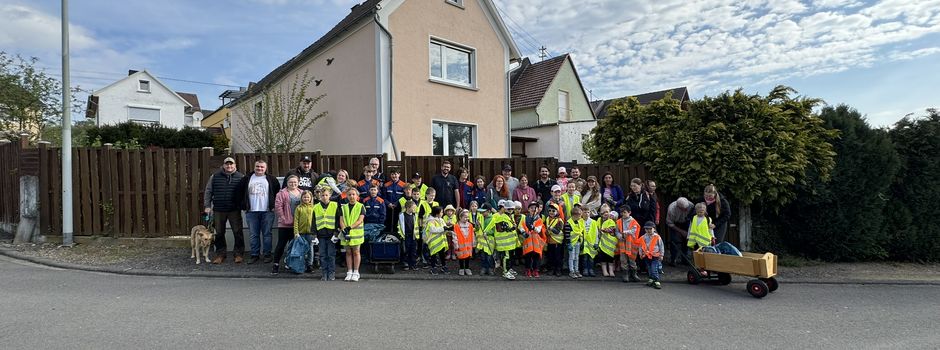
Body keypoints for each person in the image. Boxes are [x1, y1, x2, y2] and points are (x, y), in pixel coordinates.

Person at [234, 160, 280, 265]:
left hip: (267, 211)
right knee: (253, 234)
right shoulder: (246, 179)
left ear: (266, 168)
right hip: (251, 212)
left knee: (267, 234)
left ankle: (267, 254)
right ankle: (254, 255)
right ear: (254, 167)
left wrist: (273, 206)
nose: (259, 168)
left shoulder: (272, 179)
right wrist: (243, 206)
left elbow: (278, 193)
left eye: (262, 167)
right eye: (257, 166)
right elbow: (238, 193)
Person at [204, 157, 245, 264]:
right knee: (219, 233)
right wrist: (207, 205)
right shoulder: (215, 177)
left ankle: (239, 254)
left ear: (235, 165)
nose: (229, 166)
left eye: (231, 164)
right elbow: (208, 191)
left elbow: (245, 194)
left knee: (238, 232)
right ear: (223, 165)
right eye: (227, 164)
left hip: (234, 210)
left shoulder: (241, 177)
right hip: (218, 209)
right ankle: (220, 254)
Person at [272, 175, 303, 274]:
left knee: (294, 246)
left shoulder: (302, 193)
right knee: (281, 244)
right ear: (287, 183)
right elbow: (278, 207)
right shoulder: (282, 193)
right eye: (290, 182)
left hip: (297, 225)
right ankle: (276, 264)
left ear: (298, 182)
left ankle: (290, 264)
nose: (293, 184)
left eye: (295, 182)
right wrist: (283, 218)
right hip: (285, 224)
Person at [313, 186, 340, 281]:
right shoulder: (315, 207)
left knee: (331, 255)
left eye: (326, 195)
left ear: (330, 195)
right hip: (321, 235)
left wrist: (336, 234)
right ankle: (324, 273)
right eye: (322, 195)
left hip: (331, 235)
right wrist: (314, 235)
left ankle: (331, 273)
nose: (324, 197)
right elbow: (313, 221)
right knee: (323, 255)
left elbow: (338, 220)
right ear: (319, 196)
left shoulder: (335, 205)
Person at [340, 187, 365, 282]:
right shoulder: (343, 207)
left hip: (356, 234)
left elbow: (360, 220)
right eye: (349, 194)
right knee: (348, 252)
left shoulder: (360, 206)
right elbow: (341, 220)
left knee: (356, 252)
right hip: (346, 233)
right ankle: (349, 272)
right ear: (346, 196)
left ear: (357, 196)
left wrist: (349, 227)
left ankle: (356, 272)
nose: (351, 196)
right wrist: (343, 229)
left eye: (353, 194)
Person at [487, 200, 517, 280]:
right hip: (504, 242)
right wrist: (486, 231)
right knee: (506, 257)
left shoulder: (510, 216)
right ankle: (505, 272)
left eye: (512, 209)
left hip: (510, 242)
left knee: (510, 257)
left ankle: (508, 269)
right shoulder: (500, 217)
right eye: (509, 209)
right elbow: (496, 225)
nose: (510, 211)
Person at [292, 190, 317, 273]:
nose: (306, 198)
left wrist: (315, 233)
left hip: (311, 232)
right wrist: (296, 232)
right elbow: (296, 221)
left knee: (310, 249)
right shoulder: (298, 208)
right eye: (304, 197)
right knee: (301, 250)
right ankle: (301, 264)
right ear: (301, 198)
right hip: (301, 232)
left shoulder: (314, 208)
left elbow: (316, 221)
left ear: (311, 198)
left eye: (308, 197)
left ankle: (310, 264)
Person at [520, 202, 546, 278]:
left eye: (535, 208)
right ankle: (528, 270)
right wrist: (523, 232)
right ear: (528, 209)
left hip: (536, 241)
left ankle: (535, 270)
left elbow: (538, 230)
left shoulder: (539, 219)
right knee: (528, 256)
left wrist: (533, 227)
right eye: (531, 208)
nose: (533, 209)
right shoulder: (525, 218)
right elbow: (521, 227)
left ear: (538, 210)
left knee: (536, 256)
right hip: (528, 240)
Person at [665, 197, 693, 266]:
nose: (686, 210)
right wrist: (681, 231)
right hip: (674, 223)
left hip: (686, 221)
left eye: (687, 208)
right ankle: (673, 259)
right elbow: (669, 223)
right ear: (678, 207)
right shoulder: (671, 209)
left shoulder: (691, 205)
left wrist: (688, 231)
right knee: (674, 240)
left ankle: (685, 259)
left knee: (686, 240)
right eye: (684, 209)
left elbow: (693, 219)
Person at [618, 206, 641, 282]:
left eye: (624, 212)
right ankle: (625, 275)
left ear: (629, 212)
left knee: (632, 260)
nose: (623, 214)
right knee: (623, 260)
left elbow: (634, 230)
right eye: (621, 212)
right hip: (622, 243)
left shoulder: (633, 221)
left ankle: (634, 274)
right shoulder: (618, 221)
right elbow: (617, 231)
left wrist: (626, 232)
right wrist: (620, 236)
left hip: (631, 244)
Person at [424, 206, 449, 275]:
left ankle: (444, 266)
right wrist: (443, 229)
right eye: (441, 212)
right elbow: (433, 230)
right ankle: (433, 268)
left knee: (442, 255)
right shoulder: (430, 221)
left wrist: (448, 229)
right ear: (437, 213)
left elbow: (444, 227)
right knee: (433, 256)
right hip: (433, 242)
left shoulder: (441, 220)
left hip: (441, 241)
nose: (442, 213)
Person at [639, 221, 664, 289]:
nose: (648, 230)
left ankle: (656, 280)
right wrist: (640, 254)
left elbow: (661, 246)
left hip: (655, 256)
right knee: (649, 268)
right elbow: (641, 246)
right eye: (647, 229)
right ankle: (651, 278)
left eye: (650, 228)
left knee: (654, 268)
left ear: (654, 229)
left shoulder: (657, 237)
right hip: (646, 256)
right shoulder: (643, 237)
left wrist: (661, 255)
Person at [596, 209, 620, 277]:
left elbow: (611, 229)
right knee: (603, 259)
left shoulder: (614, 223)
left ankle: (611, 271)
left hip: (611, 245)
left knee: (610, 259)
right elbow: (601, 229)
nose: (611, 217)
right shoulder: (603, 221)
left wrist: (604, 229)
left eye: (613, 216)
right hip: (603, 243)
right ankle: (605, 271)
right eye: (611, 216)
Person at [383, 169, 407, 237]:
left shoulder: (403, 185)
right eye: (392, 174)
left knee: (398, 223)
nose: (394, 176)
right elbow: (383, 197)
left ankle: (398, 237)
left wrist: (396, 203)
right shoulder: (386, 185)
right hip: (388, 208)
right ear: (390, 175)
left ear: (399, 175)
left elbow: (404, 196)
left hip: (399, 208)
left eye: (396, 174)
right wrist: (388, 204)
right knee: (388, 223)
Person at [543, 203, 565, 276]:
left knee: (557, 257)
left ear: (557, 212)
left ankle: (558, 270)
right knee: (550, 256)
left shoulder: (559, 221)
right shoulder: (547, 219)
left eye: (553, 211)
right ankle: (551, 269)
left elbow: (558, 231)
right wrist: (546, 231)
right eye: (550, 211)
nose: (551, 212)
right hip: (550, 241)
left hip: (557, 242)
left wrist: (550, 229)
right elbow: (545, 229)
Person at [452, 209, 476, 276]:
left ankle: (467, 268)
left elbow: (472, 234)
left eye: (468, 217)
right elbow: (455, 236)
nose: (467, 219)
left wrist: (474, 242)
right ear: (460, 217)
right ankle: (461, 268)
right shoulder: (457, 226)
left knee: (467, 257)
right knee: (461, 257)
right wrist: (456, 245)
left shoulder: (470, 225)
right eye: (465, 217)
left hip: (468, 245)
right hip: (460, 245)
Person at [397, 200, 419, 271]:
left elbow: (416, 225)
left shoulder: (415, 215)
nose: (414, 209)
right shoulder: (401, 215)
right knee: (405, 250)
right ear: (408, 208)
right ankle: (405, 263)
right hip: (405, 236)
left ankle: (413, 264)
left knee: (413, 250)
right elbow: (399, 226)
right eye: (413, 208)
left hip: (413, 236)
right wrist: (401, 235)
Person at [476, 203, 496, 275]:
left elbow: (494, 229)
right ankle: (484, 268)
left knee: (489, 255)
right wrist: (477, 225)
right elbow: (477, 229)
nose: (481, 213)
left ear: (489, 211)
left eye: (483, 211)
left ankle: (490, 268)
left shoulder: (493, 219)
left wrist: (488, 233)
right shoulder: (480, 217)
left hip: (490, 240)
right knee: (483, 255)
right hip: (482, 240)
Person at [566, 207, 585, 279]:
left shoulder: (579, 222)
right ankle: (571, 271)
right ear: (574, 215)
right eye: (579, 215)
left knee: (577, 257)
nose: (580, 217)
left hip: (578, 242)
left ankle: (576, 270)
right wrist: (568, 243)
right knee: (572, 257)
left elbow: (581, 232)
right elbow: (567, 234)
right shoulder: (569, 223)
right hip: (571, 243)